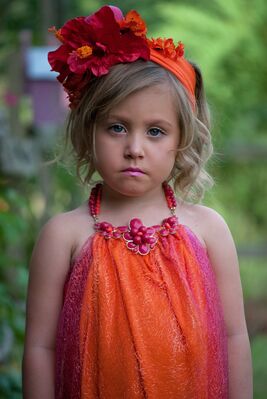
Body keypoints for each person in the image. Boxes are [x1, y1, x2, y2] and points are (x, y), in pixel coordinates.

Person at [22, 5, 253, 399]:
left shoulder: (208, 229)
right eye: (116, 127)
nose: (134, 148)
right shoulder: (64, 236)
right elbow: (40, 348)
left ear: (182, 140)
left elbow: (233, 336)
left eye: (156, 132)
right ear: (87, 130)